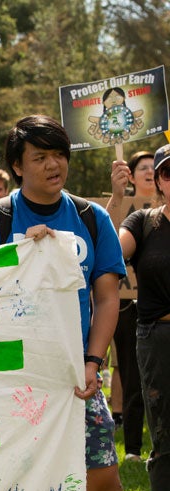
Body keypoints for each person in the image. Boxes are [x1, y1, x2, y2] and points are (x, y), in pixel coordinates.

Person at [0, 114, 170, 491]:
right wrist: (17, 255)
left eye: (58, 154)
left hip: (76, 378)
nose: (53, 164)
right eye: (40, 156)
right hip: (13, 380)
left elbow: (106, 296)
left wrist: (94, 360)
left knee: (105, 482)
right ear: (18, 166)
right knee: (21, 487)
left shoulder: (91, 217)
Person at [119, 143, 170, 491]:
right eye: (166, 173)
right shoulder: (143, 222)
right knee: (165, 435)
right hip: (157, 338)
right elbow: (112, 253)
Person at [108, 150, 156, 463]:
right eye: (145, 168)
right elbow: (110, 247)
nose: (151, 173)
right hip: (131, 310)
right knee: (132, 374)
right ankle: (135, 449)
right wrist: (115, 195)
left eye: (158, 169)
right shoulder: (134, 217)